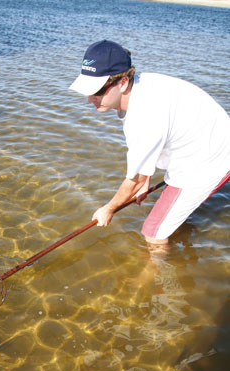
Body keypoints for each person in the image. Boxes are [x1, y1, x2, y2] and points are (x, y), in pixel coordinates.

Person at [69, 40, 230, 250]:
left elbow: (134, 179)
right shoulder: (142, 86)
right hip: (205, 142)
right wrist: (144, 178)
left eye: (97, 90)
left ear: (123, 82)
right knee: (166, 216)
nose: (90, 99)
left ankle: (163, 281)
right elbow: (147, 149)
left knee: (153, 233)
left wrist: (108, 208)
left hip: (209, 160)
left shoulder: (144, 115)